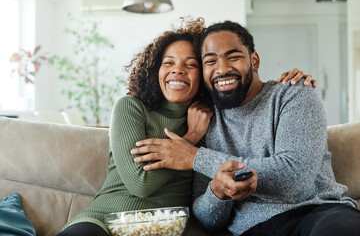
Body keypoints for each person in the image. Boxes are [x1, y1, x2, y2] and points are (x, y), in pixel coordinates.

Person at [57, 18, 313, 236]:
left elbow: (242, 89)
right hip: (104, 222)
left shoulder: (214, 119)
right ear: (155, 69)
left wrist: (293, 80)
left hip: (163, 228)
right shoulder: (131, 107)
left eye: (190, 64)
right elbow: (141, 184)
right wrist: (190, 138)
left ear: (203, 73)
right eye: (168, 63)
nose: (177, 71)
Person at [131, 20, 360, 236]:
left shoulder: (294, 94)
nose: (221, 69)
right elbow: (207, 220)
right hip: (253, 228)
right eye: (210, 61)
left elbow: (295, 179)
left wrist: (197, 158)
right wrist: (218, 192)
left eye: (233, 57)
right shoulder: (203, 119)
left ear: (255, 61)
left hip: (317, 213)